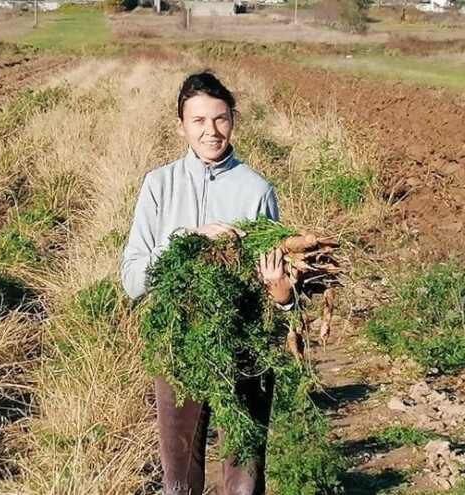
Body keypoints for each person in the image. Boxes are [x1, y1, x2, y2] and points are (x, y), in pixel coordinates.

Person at [120, 71, 294, 495]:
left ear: (233, 120)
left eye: (220, 119)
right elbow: (132, 280)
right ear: (181, 125)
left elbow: (279, 290)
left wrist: (281, 294)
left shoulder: (255, 189)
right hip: (178, 347)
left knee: (244, 479)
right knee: (179, 481)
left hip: (245, 349)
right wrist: (187, 240)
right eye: (198, 121)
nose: (211, 131)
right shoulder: (159, 185)